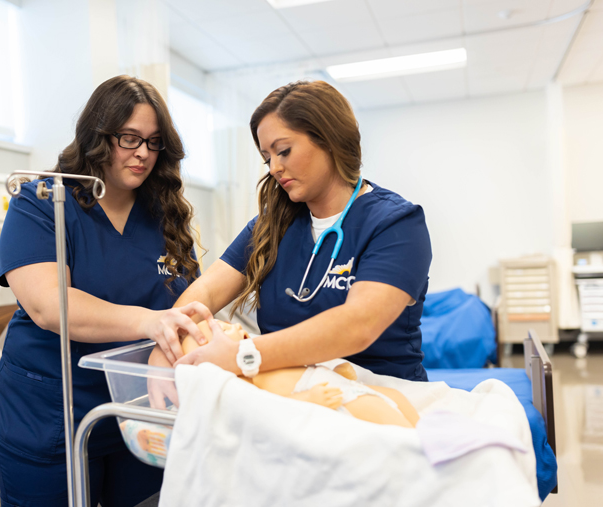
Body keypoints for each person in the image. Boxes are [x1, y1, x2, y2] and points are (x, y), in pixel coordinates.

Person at [0, 75, 212, 507]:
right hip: (51, 417)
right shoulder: (42, 202)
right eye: (129, 138)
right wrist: (149, 320)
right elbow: (49, 305)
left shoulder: (161, 214)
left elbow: (187, 304)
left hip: (141, 413)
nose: (143, 153)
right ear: (98, 134)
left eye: (154, 142)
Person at [152, 80, 432, 385]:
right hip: (291, 398)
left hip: (381, 398)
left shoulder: (396, 224)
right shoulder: (270, 227)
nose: (273, 168)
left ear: (329, 139)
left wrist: (241, 355)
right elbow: (205, 292)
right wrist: (166, 342)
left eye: (283, 151)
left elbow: (357, 325)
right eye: (267, 158)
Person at [182, 320, 420, 428]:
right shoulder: (244, 386)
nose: (236, 326)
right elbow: (268, 408)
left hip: (339, 386)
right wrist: (309, 399)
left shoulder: (260, 358)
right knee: (380, 415)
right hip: (331, 401)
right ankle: (417, 448)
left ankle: (423, 430)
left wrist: (340, 375)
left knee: (393, 396)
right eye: (224, 330)